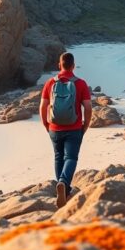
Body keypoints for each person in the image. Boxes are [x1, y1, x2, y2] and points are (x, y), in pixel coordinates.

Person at [39, 52, 92, 208]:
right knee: (71, 158)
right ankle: (63, 183)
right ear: (73, 66)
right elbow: (88, 108)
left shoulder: (50, 83)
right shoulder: (80, 84)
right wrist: (85, 126)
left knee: (58, 157)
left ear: (59, 65)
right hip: (74, 127)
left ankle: (64, 191)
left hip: (54, 128)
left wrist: (46, 125)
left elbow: (43, 106)